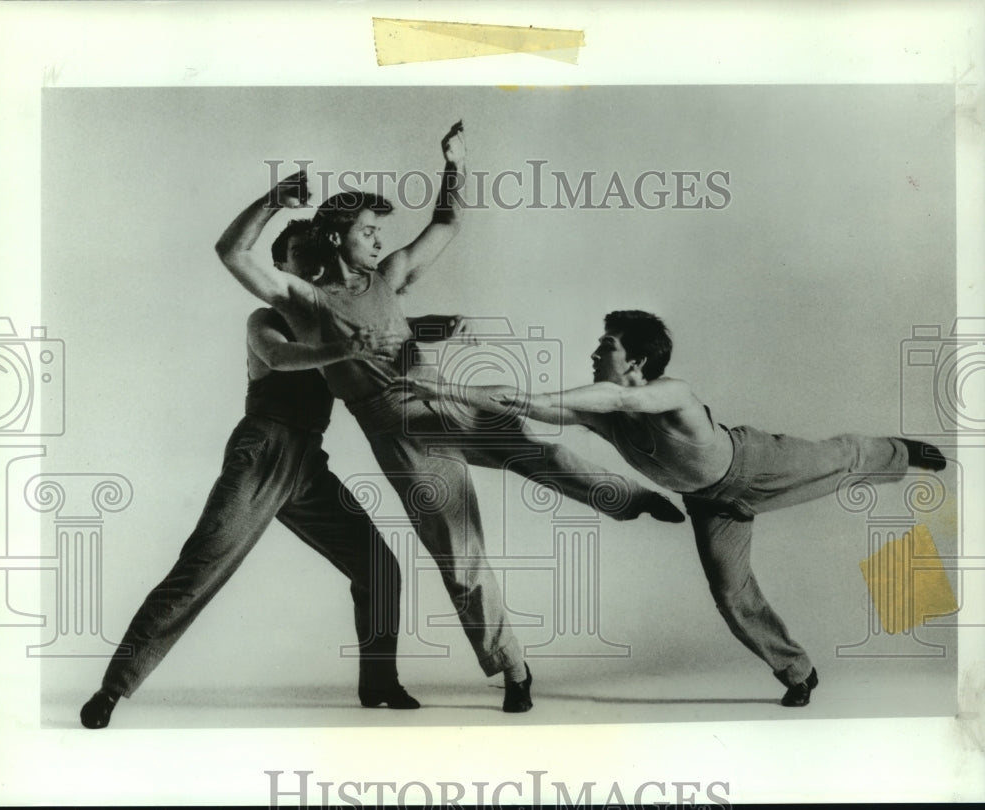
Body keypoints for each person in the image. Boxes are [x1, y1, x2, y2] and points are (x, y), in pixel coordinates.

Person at [216, 125, 684, 713]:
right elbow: (233, 254)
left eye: (378, 230)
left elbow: (446, 224)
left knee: (547, 453)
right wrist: (271, 202)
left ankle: (632, 500)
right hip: (401, 435)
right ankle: (514, 669)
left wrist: (454, 164)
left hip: (447, 401)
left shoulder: (387, 277)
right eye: (367, 230)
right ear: (336, 235)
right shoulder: (305, 302)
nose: (377, 237)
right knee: (461, 558)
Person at [395, 309, 947, 708]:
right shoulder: (601, 412)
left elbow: (617, 398)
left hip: (755, 464)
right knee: (732, 592)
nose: (594, 352)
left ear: (635, 359)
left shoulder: (670, 392)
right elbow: (531, 403)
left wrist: (455, 389)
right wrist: (450, 390)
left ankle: (903, 451)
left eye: (605, 344)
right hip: (711, 502)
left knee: (841, 457)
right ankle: (797, 671)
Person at [78, 219, 420, 730]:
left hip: (308, 461)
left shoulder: (331, 317)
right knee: (201, 566)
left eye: (315, 254)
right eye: (297, 255)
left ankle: (379, 683)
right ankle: (112, 689)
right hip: (262, 451)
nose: (310, 265)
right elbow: (282, 357)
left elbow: (386, 331)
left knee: (379, 566)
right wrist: (347, 351)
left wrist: (434, 327)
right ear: (280, 267)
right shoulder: (265, 317)